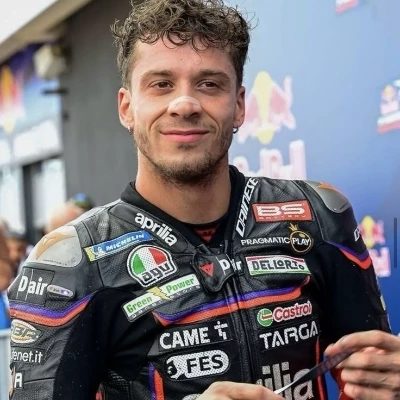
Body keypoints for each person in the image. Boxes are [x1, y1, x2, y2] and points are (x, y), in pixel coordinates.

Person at [7, 0, 400, 399]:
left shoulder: (317, 216)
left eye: (209, 84)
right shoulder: (73, 266)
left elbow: (375, 379)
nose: (185, 104)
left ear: (239, 106)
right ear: (127, 108)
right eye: (161, 84)